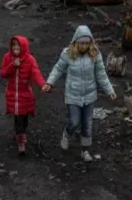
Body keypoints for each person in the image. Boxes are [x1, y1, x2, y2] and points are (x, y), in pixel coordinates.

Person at [43, 25, 117, 162]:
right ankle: (67, 133)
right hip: (73, 94)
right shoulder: (68, 54)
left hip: (89, 95)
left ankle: (85, 150)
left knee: (87, 123)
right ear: (76, 41)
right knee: (75, 121)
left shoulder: (95, 54)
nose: (84, 46)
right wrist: (49, 82)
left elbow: (101, 75)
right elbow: (58, 69)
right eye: (81, 43)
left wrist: (110, 91)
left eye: (86, 43)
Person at [0, 36, 49, 155]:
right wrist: (12, 65)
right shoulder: (7, 57)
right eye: (14, 49)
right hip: (12, 93)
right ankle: (21, 141)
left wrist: (43, 84)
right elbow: (3, 74)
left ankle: (20, 133)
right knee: (18, 118)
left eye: (18, 49)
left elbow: (36, 73)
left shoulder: (30, 59)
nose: (16, 51)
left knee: (24, 117)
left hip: (25, 94)